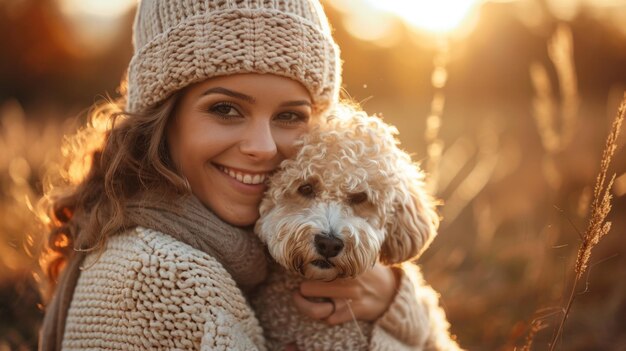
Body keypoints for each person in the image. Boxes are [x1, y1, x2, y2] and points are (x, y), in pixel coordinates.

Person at [39, 0, 445, 349]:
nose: (263, 147)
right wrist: (409, 321)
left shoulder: (239, 250)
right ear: (161, 119)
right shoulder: (166, 278)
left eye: (289, 116)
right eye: (225, 109)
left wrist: (394, 299)